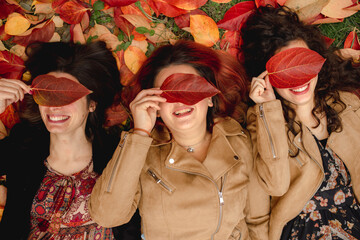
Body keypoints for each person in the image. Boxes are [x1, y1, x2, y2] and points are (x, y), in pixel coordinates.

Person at [89, 40, 270, 240]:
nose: (179, 100)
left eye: (190, 88)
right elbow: (106, 215)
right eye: (167, 94)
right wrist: (139, 133)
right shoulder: (141, 154)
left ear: (209, 97)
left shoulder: (238, 141)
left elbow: (257, 219)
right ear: (154, 105)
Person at [241, 5, 360, 240]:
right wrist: (267, 109)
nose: (298, 78)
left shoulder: (347, 105)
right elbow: (274, 186)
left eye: (302, 63)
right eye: (283, 69)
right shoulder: (263, 122)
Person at [0, 41, 140, 239]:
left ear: (92, 104)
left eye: (67, 96)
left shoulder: (116, 154)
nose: (55, 107)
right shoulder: (23, 145)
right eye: (48, 94)